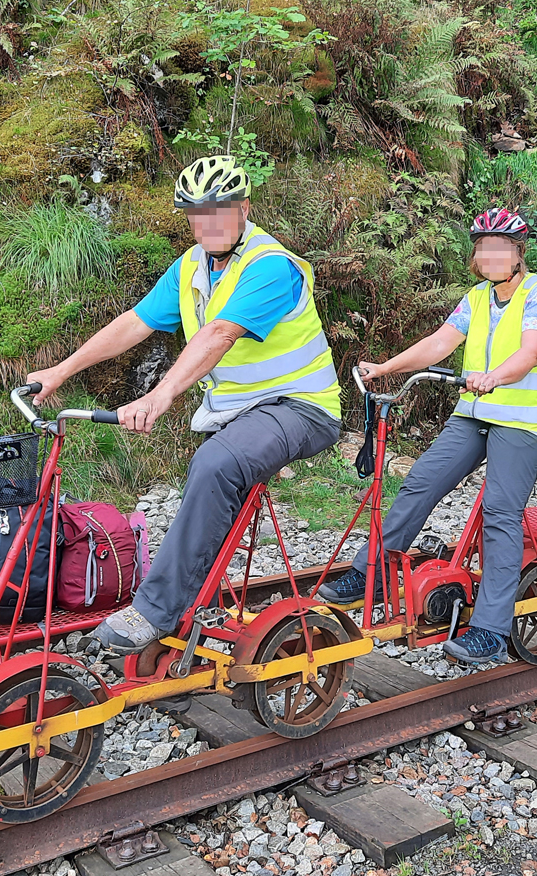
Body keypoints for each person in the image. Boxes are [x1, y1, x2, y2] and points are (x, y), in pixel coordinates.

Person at [28, 156, 342, 654]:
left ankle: (154, 611)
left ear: (244, 210)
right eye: (197, 214)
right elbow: (135, 323)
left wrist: (161, 394)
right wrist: (60, 372)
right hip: (241, 411)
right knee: (208, 484)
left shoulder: (271, 267)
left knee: (216, 464)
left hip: (301, 407)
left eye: (220, 211)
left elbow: (219, 333)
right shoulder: (192, 267)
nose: (208, 224)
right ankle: (191, 604)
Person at [316, 207, 537, 664]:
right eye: (483, 248)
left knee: (499, 512)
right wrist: (385, 368)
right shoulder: (475, 298)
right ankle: (371, 572)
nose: (490, 255)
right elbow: (439, 342)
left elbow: (532, 352)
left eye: (501, 247)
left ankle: (490, 629)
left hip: (527, 422)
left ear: (518, 253)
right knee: (420, 480)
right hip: (476, 414)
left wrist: (495, 376)